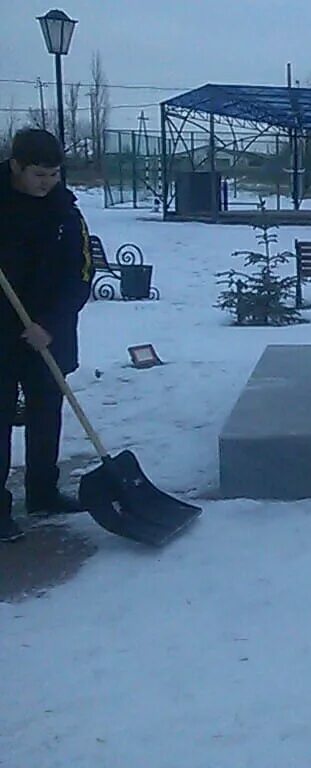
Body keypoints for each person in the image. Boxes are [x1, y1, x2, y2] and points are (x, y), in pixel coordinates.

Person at [0, 128, 94, 543]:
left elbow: (81, 274)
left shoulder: (66, 213)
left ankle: (43, 491)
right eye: (39, 174)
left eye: (54, 175)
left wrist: (49, 326)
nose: (47, 183)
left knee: (46, 413)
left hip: (47, 334)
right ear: (16, 166)